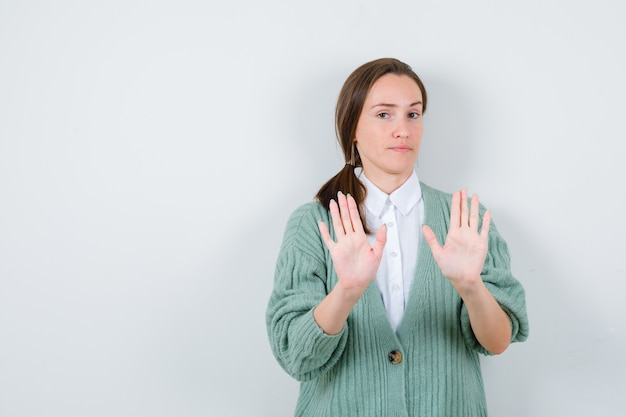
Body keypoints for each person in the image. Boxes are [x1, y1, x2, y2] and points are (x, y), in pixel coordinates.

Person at [265, 57, 529, 417]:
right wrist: (346, 292)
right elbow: (296, 356)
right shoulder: (313, 224)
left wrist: (470, 286)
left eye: (413, 114)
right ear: (352, 128)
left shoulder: (467, 220)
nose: (402, 129)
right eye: (384, 114)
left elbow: (497, 342)